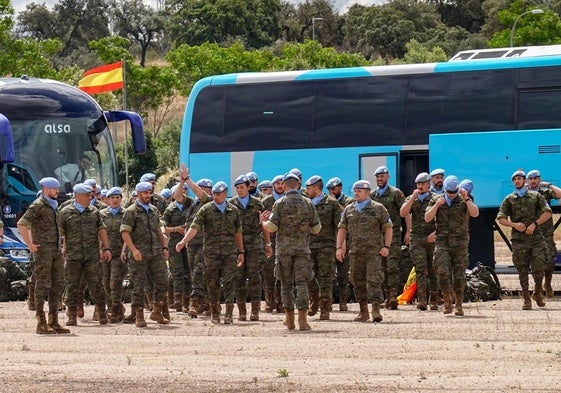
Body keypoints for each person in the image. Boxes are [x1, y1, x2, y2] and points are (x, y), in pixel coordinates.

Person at [176, 181, 244, 325]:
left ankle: (229, 313)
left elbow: (238, 232)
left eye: (218, 194)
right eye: (213, 194)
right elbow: (194, 227)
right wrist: (183, 241)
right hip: (211, 253)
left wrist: (241, 250)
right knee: (212, 282)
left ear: (225, 194)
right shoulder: (206, 209)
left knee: (229, 282)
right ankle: (214, 312)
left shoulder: (234, 210)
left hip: (229, 253)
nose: (215, 196)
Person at [261, 172, 321, 331]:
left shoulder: (279, 203)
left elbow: (272, 228)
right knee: (302, 283)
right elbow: (316, 229)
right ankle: (303, 320)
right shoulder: (308, 203)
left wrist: (264, 222)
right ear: (299, 185)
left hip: (284, 251)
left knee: (286, 284)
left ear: (285, 186)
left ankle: (290, 320)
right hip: (303, 250)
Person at [17, 177, 69, 334]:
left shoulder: (54, 206)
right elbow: (21, 223)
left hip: (55, 251)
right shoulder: (38, 205)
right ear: (46, 189)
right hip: (43, 252)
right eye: (55, 189)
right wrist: (30, 245)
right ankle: (41, 321)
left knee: (57, 284)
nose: (57, 192)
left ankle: (54, 320)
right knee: (42, 285)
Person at [336, 180, 392, 323]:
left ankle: (376, 310)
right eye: (355, 190)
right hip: (355, 252)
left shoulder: (378, 208)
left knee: (374, 280)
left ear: (367, 192)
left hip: (373, 252)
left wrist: (387, 246)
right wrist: (339, 248)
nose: (356, 193)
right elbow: (342, 229)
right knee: (356, 280)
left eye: (359, 191)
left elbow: (388, 227)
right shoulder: (349, 209)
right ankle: (363, 311)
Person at [497, 170, 552, 310]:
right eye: (515, 179)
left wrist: (535, 224)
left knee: (539, 267)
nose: (517, 181)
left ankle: (538, 291)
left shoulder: (536, 196)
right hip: (519, 240)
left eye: (520, 178)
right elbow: (501, 218)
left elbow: (547, 212)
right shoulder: (509, 199)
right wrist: (514, 225)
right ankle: (526, 298)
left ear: (525, 181)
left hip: (536, 239)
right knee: (522, 270)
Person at [425, 175, 479, 316]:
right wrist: (437, 205)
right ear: (444, 190)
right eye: (449, 192)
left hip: (459, 243)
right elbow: (427, 218)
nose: (451, 195)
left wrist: (466, 198)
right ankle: (447, 299)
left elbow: (475, 213)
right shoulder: (436, 200)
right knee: (442, 272)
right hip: (442, 242)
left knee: (459, 275)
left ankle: (459, 304)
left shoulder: (463, 199)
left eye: (454, 192)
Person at [59, 183, 112, 326]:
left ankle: (101, 313)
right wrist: (61, 248)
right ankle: (72, 315)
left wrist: (106, 248)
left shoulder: (94, 211)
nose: (90, 198)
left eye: (91, 195)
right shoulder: (65, 212)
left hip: (91, 255)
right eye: (87, 196)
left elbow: (101, 230)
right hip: (73, 256)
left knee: (96, 285)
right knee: (72, 285)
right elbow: (60, 232)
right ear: (77, 196)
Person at [121, 181, 171, 327]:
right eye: (145, 193)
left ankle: (156, 311)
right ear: (138, 194)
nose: (148, 195)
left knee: (163, 281)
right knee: (138, 285)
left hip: (155, 252)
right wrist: (133, 250)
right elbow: (125, 232)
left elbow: (158, 230)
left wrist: (164, 247)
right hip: (139, 254)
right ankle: (139, 315)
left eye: (150, 192)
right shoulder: (131, 211)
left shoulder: (154, 210)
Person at [230, 174, 272, 322]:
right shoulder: (231, 204)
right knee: (239, 278)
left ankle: (255, 311)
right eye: (237, 188)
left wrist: (268, 244)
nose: (240, 190)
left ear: (249, 187)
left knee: (255, 277)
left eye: (242, 187)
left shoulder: (257, 204)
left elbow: (263, 225)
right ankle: (242, 310)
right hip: (237, 246)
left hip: (254, 244)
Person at [173, 165, 214, 317]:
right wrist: (182, 182)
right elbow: (177, 196)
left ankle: (195, 303)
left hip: (204, 242)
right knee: (195, 273)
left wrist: (188, 179)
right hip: (191, 243)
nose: (200, 190)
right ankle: (208, 303)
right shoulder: (191, 203)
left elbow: (200, 194)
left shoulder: (209, 201)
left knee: (199, 271)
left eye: (204, 188)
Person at [400, 172, 438, 310]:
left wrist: (435, 233)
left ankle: (433, 298)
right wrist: (412, 198)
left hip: (431, 237)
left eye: (422, 183)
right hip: (417, 237)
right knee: (420, 268)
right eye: (418, 184)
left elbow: (443, 219)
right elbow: (403, 213)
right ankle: (422, 299)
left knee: (433, 269)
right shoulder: (412, 198)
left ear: (429, 184)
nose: (420, 186)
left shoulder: (436, 198)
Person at [370, 166, 406, 309]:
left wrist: (409, 231)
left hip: (394, 236)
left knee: (392, 267)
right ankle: (385, 296)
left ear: (388, 176)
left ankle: (393, 297)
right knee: (381, 268)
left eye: (382, 176)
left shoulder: (396, 193)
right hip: (377, 237)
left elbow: (405, 213)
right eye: (378, 177)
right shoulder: (373, 195)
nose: (380, 179)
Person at [305, 175, 340, 320]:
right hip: (307, 245)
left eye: (308, 188)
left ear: (315, 188)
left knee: (325, 277)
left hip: (326, 245)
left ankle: (325, 308)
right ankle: (314, 300)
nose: (306, 191)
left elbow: (339, 226)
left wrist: (340, 246)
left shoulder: (331, 203)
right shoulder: (305, 203)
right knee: (307, 275)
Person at [526, 169, 561, 298]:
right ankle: (538, 287)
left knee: (550, 259)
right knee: (535, 261)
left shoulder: (545, 192)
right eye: (531, 178)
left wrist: (549, 185)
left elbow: (560, 194)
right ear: (528, 180)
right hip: (531, 232)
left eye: (536, 178)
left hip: (546, 231)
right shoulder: (524, 193)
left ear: (539, 179)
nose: (533, 181)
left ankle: (548, 283)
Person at [99, 187, 127, 323]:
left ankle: (115, 310)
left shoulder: (126, 214)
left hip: (119, 253)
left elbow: (130, 234)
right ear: (108, 199)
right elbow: (97, 233)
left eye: (117, 197)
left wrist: (126, 250)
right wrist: (101, 249)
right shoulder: (101, 214)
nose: (115, 200)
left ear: (121, 199)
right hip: (105, 252)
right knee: (105, 282)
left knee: (114, 282)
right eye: (112, 198)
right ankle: (114, 307)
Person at [163, 183, 192, 313]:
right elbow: (162, 228)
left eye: (185, 190)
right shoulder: (169, 209)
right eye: (182, 190)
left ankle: (187, 301)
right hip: (174, 244)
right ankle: (177, 300)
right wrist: (176, 229)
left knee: (189, 272)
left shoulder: (190, 206)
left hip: (188, 243)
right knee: (177, 272)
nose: (184, 192)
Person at [326, 176, 353, 311]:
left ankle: (343, 301)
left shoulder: (348, 201)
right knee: (329, 273)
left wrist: (336, 204)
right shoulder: (326, 202)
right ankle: (328, 301)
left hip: (344, 241)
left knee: (343, 273)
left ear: (340, 187)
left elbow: (348, 214)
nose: (332, 191)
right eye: (330, 189)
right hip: (330, 241)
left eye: (334, 188)